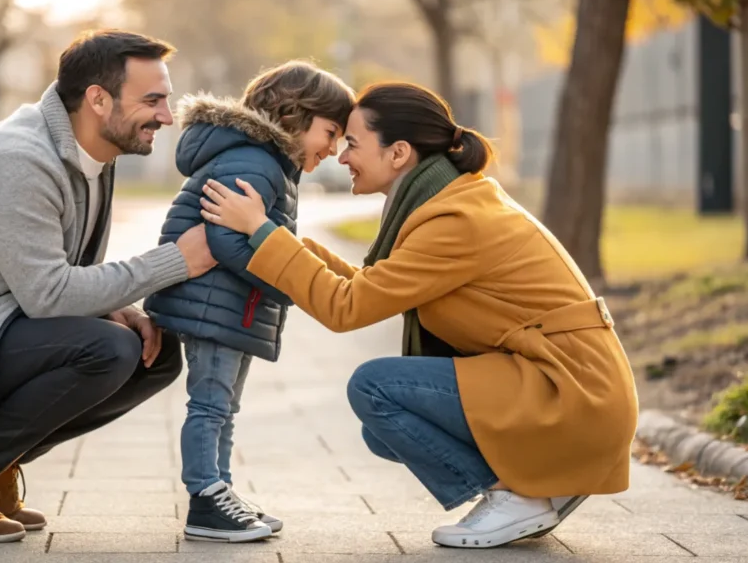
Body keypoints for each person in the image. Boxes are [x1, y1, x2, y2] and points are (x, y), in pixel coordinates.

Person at [197, 81, 639, 549]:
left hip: (573, 395)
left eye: (353, 143)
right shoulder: (449, 201)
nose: (342, 156)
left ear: (399, 153)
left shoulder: (455, 222)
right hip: (563, 382)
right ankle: (535, 484)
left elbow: (345, 308)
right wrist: (284, 240)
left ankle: (517, 496)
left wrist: (263, 233)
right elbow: (366, 287)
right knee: (380, 432)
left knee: (375, 387)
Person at [0, 30, 218, 543]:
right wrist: (176, 261)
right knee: (107, 350)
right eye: (153, 100)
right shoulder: (19, 159)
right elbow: (48, 295)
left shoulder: (91, 156)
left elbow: (46, 277)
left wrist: (121, 305)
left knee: (151, 354)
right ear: (98, 99)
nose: (167, 115)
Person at [143, 61, 355, 542]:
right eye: (331, 132)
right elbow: (226, 242)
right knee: (211, 405)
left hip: (227, 306)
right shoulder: (254, 162)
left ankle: (222, 492)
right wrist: (289, 283)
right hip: (214, 306)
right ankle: (205, 499)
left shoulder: (266, 162)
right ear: (293, 113)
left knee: (223, 406)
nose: (334, 148)